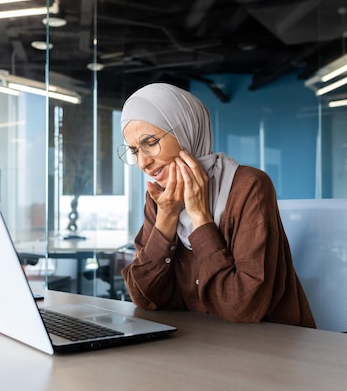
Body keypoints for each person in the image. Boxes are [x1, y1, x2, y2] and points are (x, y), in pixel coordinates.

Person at [117, 83, 316, 327]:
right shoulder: (161, 198)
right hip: (195, 345)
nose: (143, 163)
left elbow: (243, 306)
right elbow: (144, 297)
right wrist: (167, 217)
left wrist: (200, 216)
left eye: (150, 142)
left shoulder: (249, 186)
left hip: (268, 348)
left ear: (185, 131)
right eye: (135, 150)